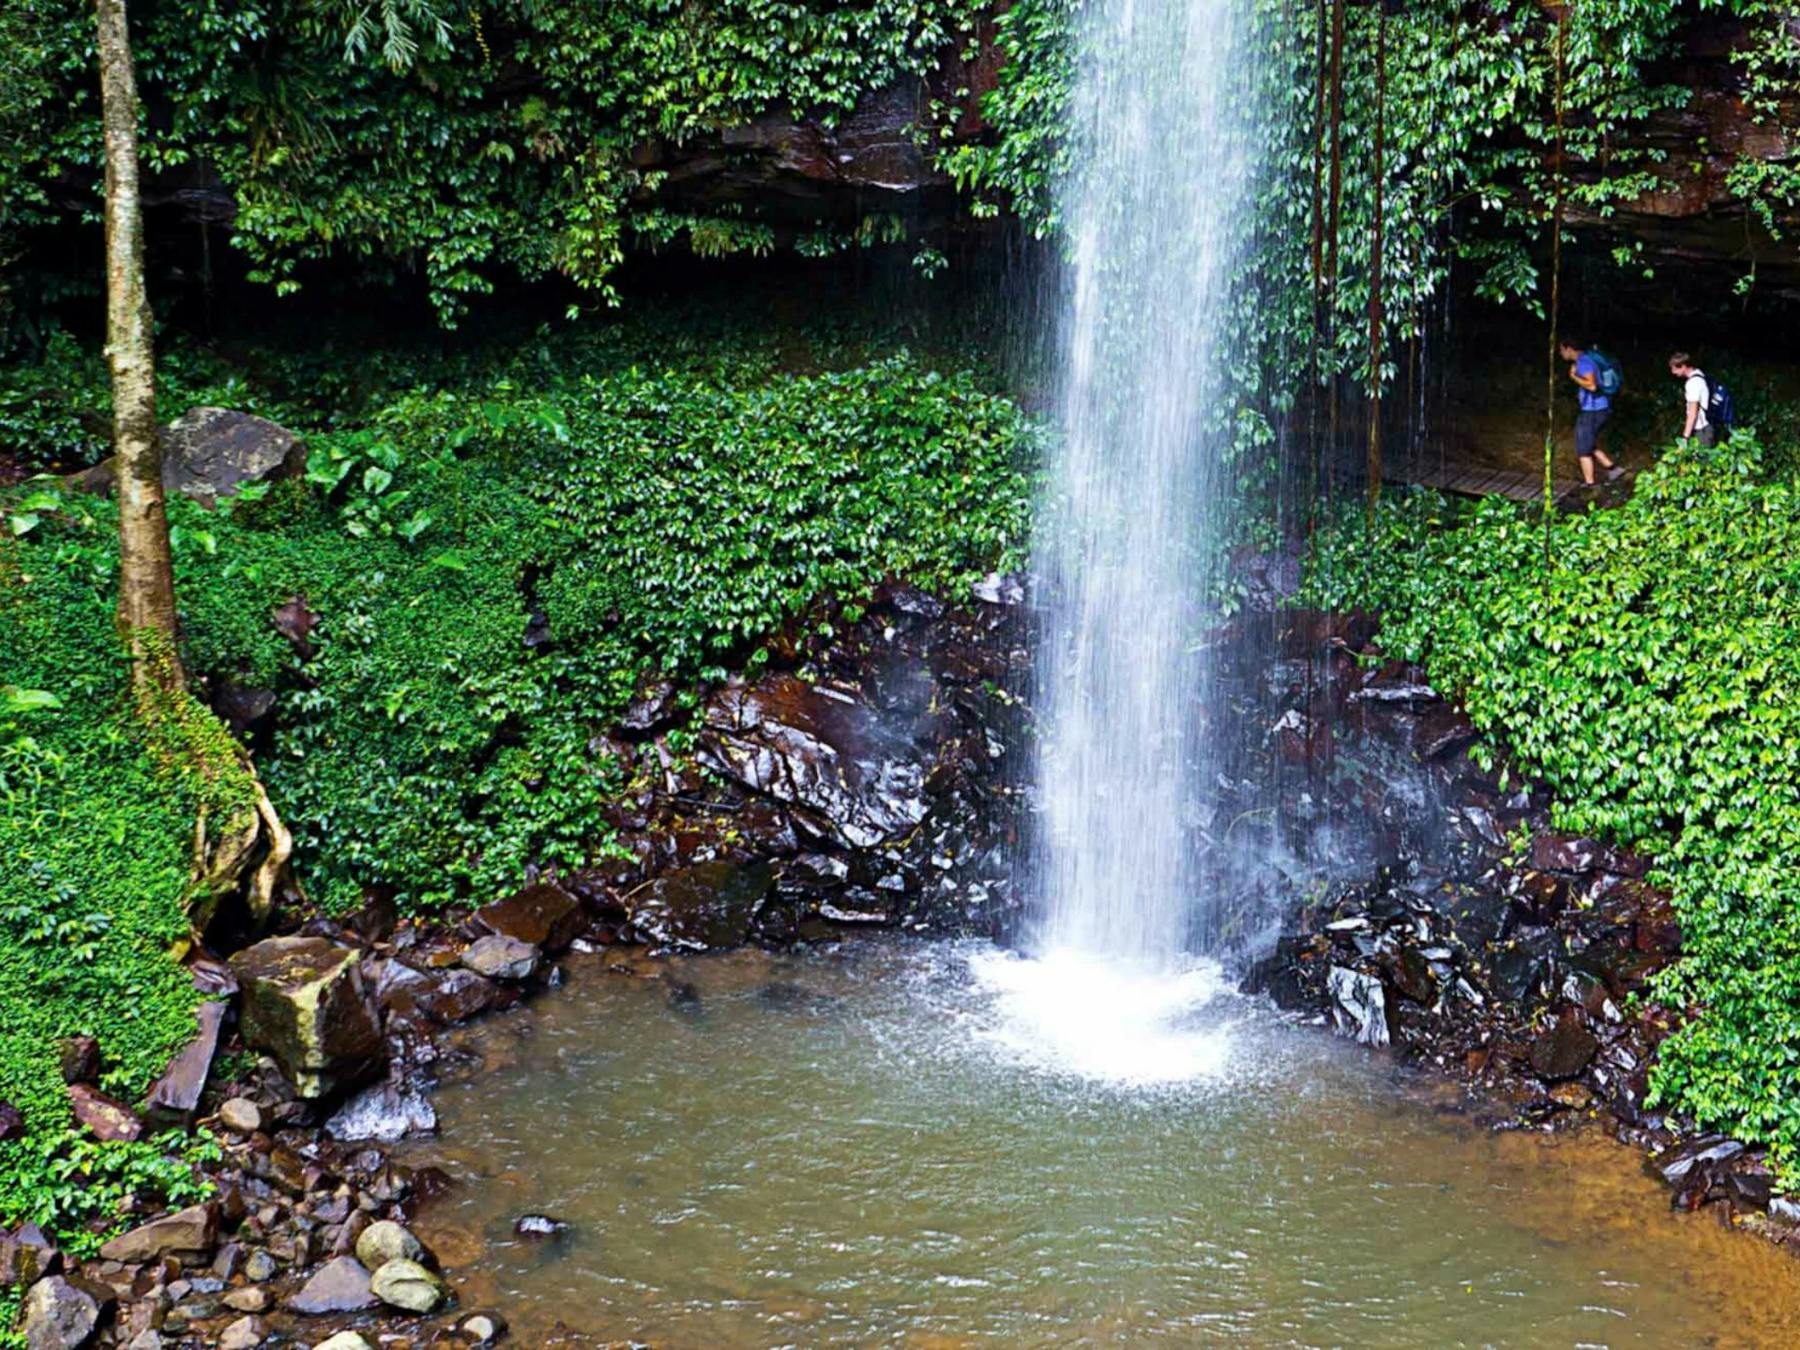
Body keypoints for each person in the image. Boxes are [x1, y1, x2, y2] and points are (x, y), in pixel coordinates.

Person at [1558, 340, 1622, 484]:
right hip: (1598, 408)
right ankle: (1612, 469)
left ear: (1569, 348)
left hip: (1593, 410)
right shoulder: (1587, 358)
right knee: (1586, 441)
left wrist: (1574, 377)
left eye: (1561, 350)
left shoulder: (1584, 362)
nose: (1561, 354)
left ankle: (1590, 485)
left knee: (1583, 449)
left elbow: (1592, 386)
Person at [1668, 352, 1716, 447]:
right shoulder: (1699, 374)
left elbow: (1693, 413)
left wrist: (1685, 438)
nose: (1673, 372)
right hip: (1708, 426)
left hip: (1702, 430)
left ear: (1683, 366)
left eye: (1674, 369)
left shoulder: (1693, 383)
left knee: (1702, 460)